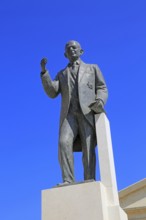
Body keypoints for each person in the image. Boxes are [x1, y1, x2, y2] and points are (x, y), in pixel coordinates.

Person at [40, 40, 108, 185]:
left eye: (74, 47)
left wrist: (100, 101)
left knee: (88, 147)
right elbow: (52, 92)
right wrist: (44, 73)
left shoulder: (92, 68)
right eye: (68, 48)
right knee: (63, 143)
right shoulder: (62, 74)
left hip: (87, 112)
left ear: (81, 51)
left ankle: (89, 178)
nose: (71, 49)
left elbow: (102, 88)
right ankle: (67, 179)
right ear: (65, 54)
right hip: (69, 115)